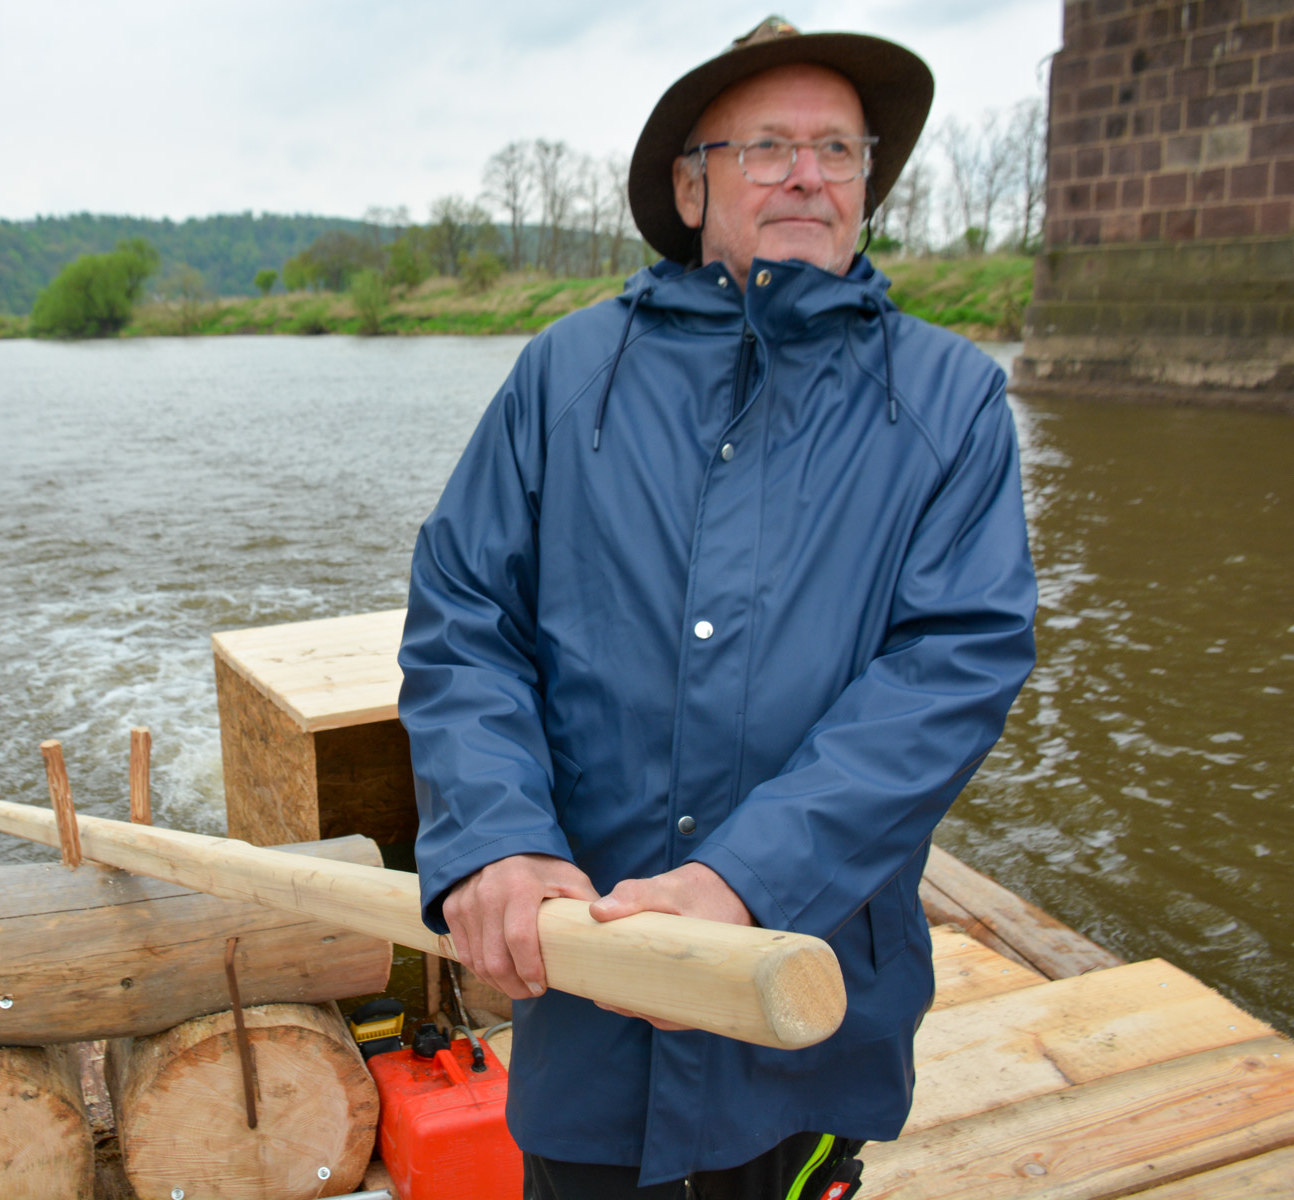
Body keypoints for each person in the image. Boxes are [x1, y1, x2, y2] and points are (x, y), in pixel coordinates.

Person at [398, 17, 1037, 1199]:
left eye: (838, 149)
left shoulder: (953, 405)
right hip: (593, 1000)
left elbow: (951, 671)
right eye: (768, 148)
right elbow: (464, 616)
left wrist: (744, 881)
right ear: (692, 185)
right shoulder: (561, 377)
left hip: (802, 1003)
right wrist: (494, 833)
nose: (807, 173)